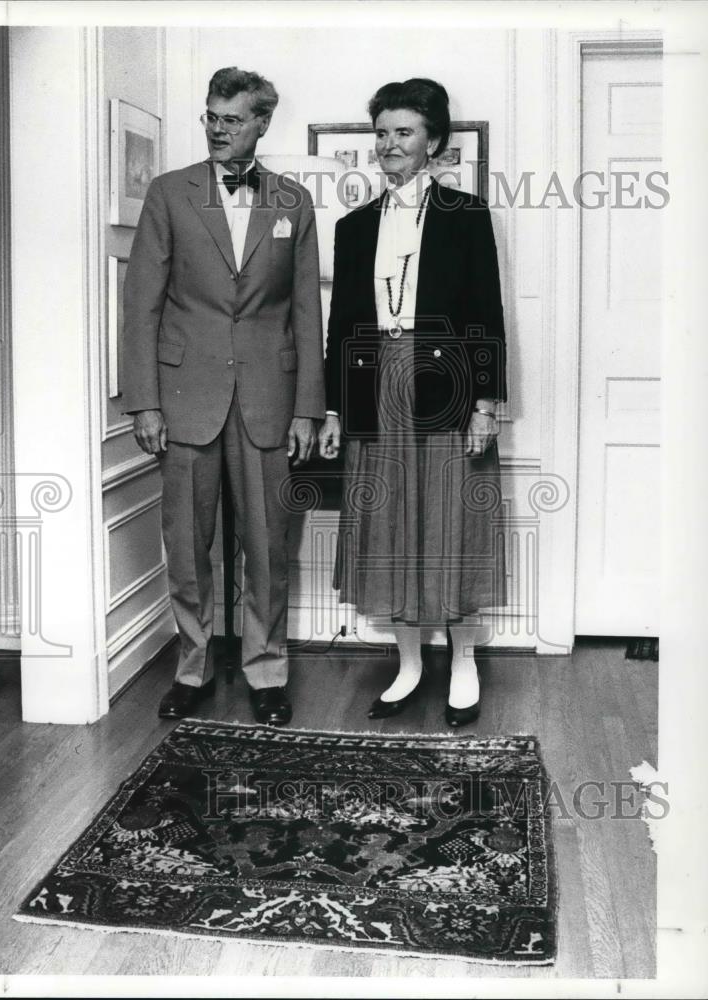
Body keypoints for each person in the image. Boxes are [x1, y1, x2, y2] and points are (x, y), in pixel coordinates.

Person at [123, 67, 325, 726]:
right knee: (187, 545)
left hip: (270, 396)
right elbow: (141, 306)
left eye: (232, 119)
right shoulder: (168, 193)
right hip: (185, 397)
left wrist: (307, 408)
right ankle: (192, 666)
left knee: (268, 546)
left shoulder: (292, 202)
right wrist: (144, 401)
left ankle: (267, 672)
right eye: (211, 116)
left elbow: (304, 312)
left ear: (263, 123)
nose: (217, 129)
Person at [319, 78, 507, 727]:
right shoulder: (353, 226)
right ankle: (407, 666)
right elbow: (341, 324)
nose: (389, 144)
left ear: (433, 141)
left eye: (403, 132)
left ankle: (462, 664)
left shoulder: (467, 215)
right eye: (382, 133)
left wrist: (486, 402)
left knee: (449, 527)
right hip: (377, 393)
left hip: (447, 389)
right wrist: (337, 410)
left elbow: (486, 314)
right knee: (389, 531)